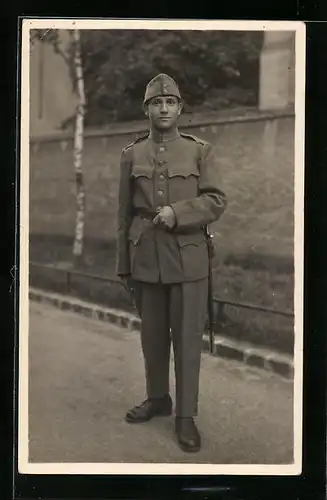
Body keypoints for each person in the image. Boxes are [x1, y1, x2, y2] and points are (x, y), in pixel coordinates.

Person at [116, 73, 227, 453]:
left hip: (189, 260)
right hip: (146, 256)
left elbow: (216, 201)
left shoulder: (199, 151)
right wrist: (123, 265)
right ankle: (158, 398)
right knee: (152, 338)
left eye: (170, 103)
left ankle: (185, 416)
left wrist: (177, 213)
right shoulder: (131, 155)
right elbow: (123, 214)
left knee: (186, 340)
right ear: (146, 109)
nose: (163, 109)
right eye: (156, 103)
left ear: (180, 109)